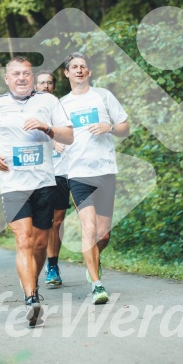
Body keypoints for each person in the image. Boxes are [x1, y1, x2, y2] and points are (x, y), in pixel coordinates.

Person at [0, 56, 73, 327]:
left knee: (41, 244)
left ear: (32, 77)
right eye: (15, 74)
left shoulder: (49, 102)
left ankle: (33, 284)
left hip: (43, 183)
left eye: (26, 74)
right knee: (24, 240)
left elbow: (68, 136)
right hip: (13, 185)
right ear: (7, 79)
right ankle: (31, 297)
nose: (21, 78)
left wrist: (46, 127)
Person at [60, 52, 130, 304]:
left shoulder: (103, 96)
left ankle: (93, 262)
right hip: (78, 173)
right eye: (74, 67)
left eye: (83, 67)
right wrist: (54, 143)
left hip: (105, 171)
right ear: (66, 73)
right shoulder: (61, 105)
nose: (79, 70)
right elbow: (53, 134)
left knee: (103, 234)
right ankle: (97, 284)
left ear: (89, 72)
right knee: (88, 227)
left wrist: (108, 127)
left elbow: (125, 127)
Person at [35, 70, 67, 287]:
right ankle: (33, 266)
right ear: (35, 86)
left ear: (54, 87)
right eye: (42, 83)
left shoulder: (62, 108)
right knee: (39, 226)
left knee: (56, 222)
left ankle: (53, 266)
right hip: (37, 174)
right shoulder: (30, 110)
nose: (45, 86)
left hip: (60, 171)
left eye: (49, 83)